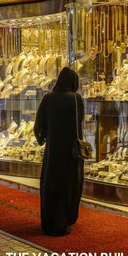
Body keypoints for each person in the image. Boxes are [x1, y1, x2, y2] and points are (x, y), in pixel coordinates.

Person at [34, 67, 85, 236]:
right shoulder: (76, 99)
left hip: (54, 150)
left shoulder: (49, 98)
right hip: (71, 152)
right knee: (69, 185)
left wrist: (43, 138)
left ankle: (50, 222)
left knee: (51, 184)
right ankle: (66, 220)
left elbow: (39, 123)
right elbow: (80, 122)